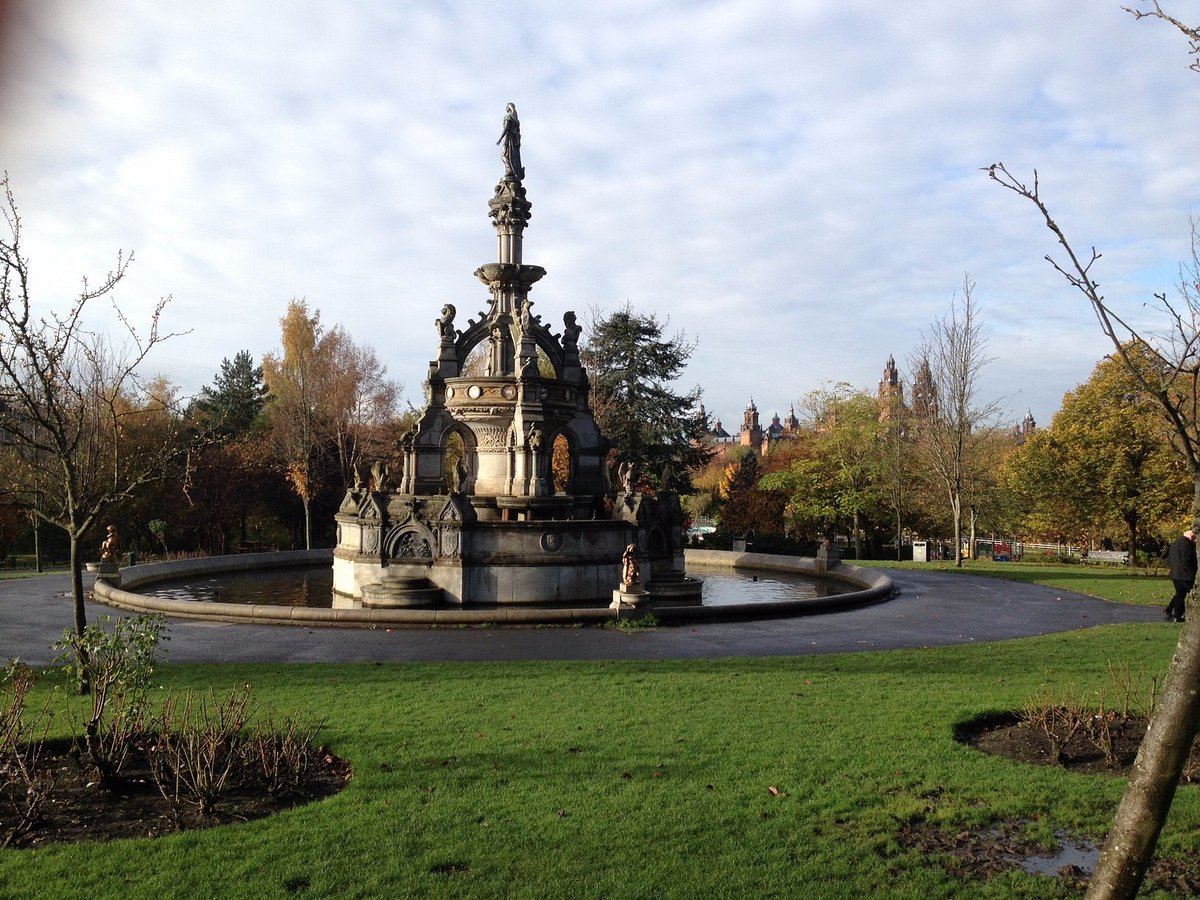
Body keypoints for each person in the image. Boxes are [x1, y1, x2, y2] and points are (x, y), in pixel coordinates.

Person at [1165, 528, 1197, 622]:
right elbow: (1186, 560)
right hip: (1185, 575)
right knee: (1185, 594)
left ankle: (1170, 609)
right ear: (1192, 537)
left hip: (1175, 574)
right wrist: (1192, 573)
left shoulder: (1175, 543)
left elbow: (1169, 559)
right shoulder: (1187, 545)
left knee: (1180, 593)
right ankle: (1177, 615)